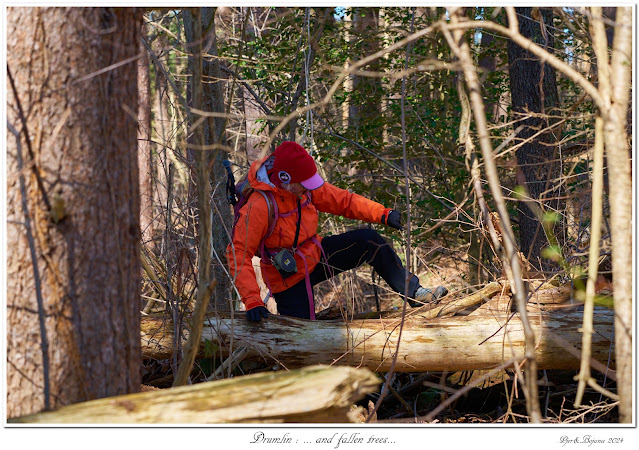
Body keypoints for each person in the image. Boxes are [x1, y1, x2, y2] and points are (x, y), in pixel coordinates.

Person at [226, 141, 448, 322]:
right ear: (286, 180)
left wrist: (382, 214)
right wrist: (252, 300)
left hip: (315, 254)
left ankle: (415, 294)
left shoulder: (304, 187)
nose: (310, 188)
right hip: (286, 276)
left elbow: (344, 201)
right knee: (302, 339)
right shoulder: (259, 205)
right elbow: (238, 252)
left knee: (369, 241)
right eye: (304, 183)